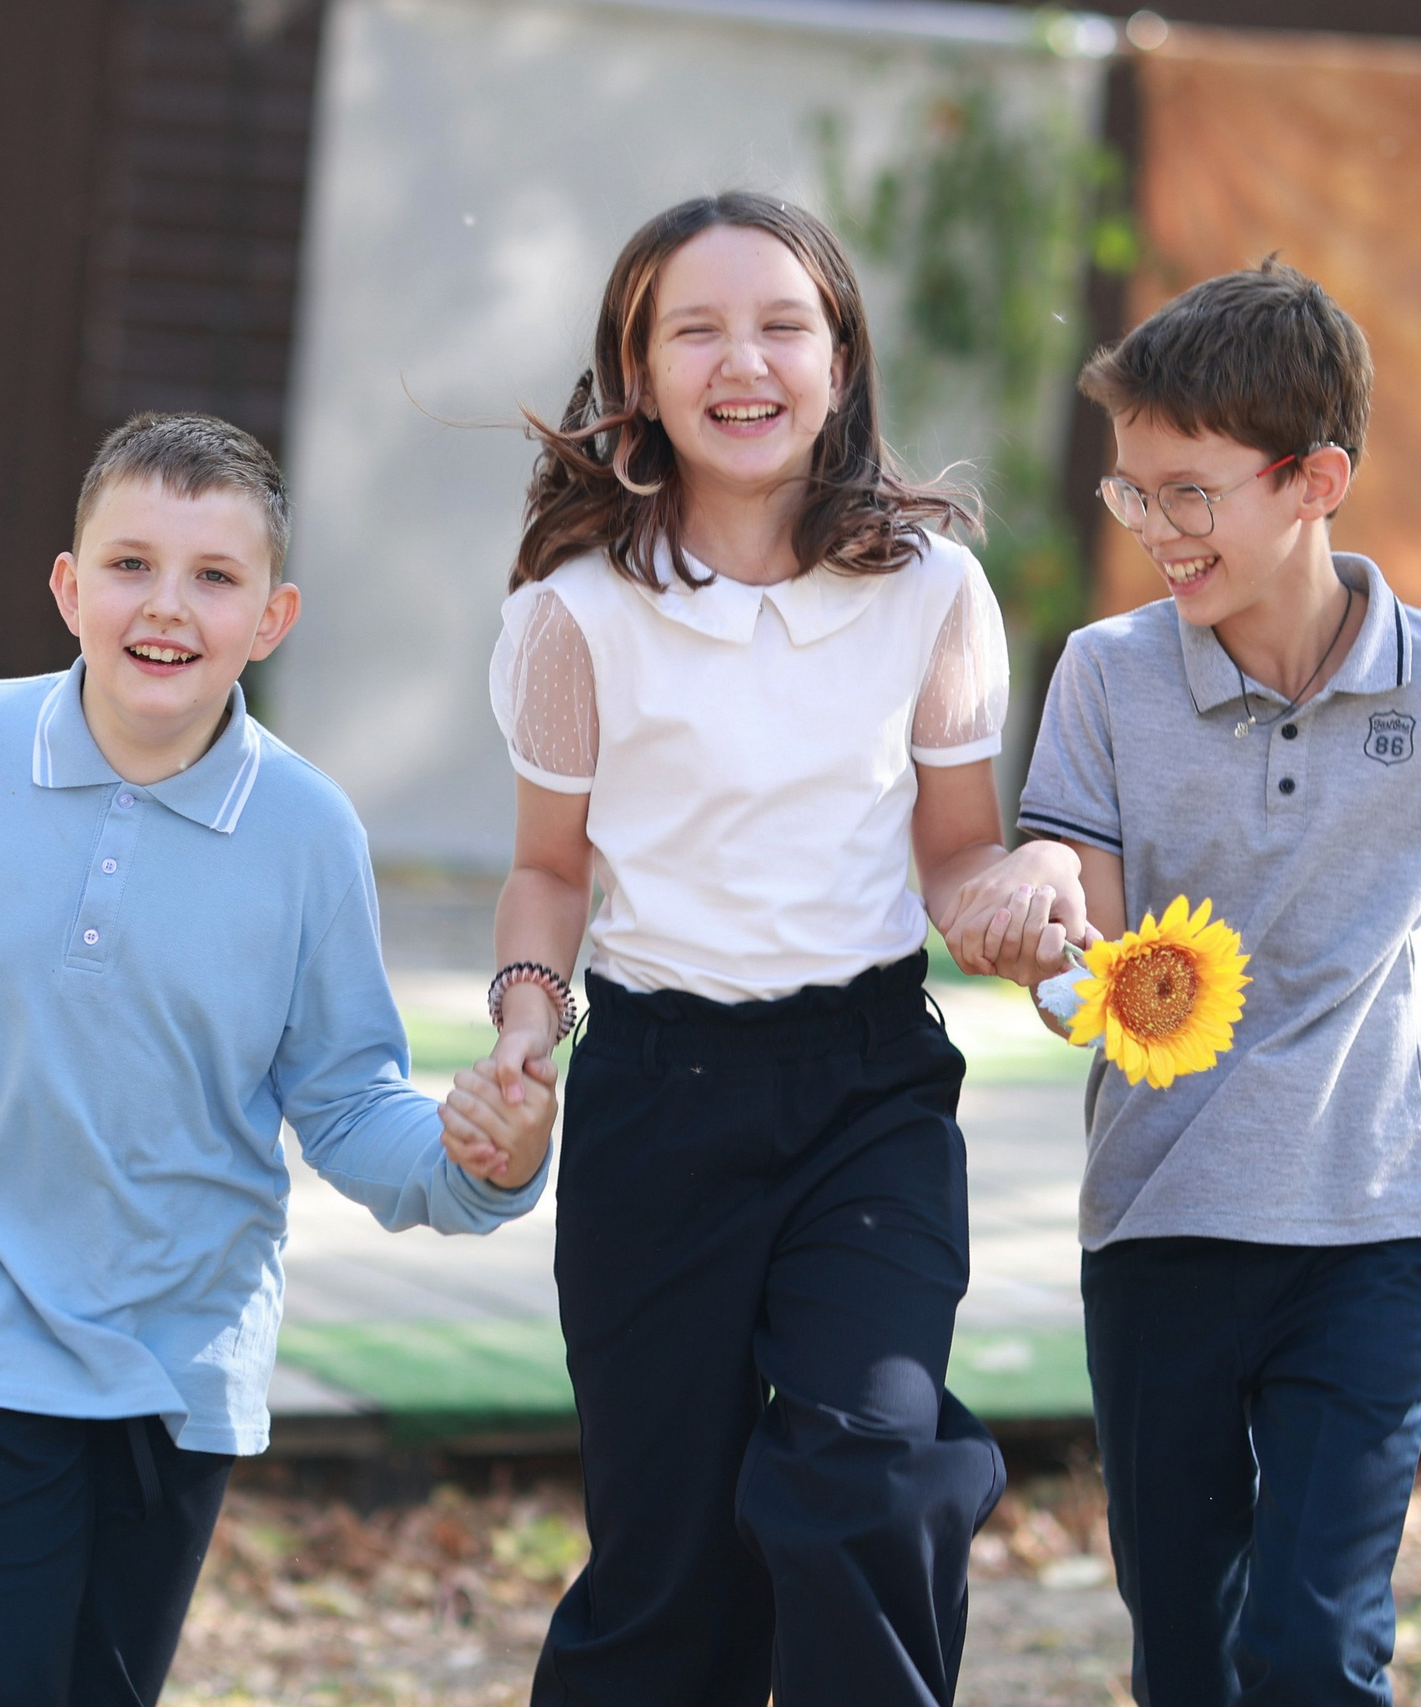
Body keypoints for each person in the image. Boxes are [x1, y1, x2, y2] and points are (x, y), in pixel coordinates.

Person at [0, 413, 556, 1707]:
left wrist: (477, 1165)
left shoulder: (307, 830)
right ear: (68, 588)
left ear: (271, 618)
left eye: (213, 577)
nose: (166, 606)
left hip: (180, 1358)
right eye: (130, 565)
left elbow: (343, 1100)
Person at [951, 261, 1421, 1705]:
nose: (1157, 529)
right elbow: (1085, 938)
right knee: (1187, 1653)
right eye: (1134, 493)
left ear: (1315, 480)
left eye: (1190, 494)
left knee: (1318, 1644)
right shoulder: (1105, 677)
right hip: (1159, 1222)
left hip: (1368, 1230)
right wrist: (1042, 936)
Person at [463, 192, 1014, 1707]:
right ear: (638, 373)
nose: (743, 361)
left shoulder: (933, 593)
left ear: (840, 361)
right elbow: (547, 870)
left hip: (869, 1094)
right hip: (658, 1097)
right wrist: (526, 1025)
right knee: (668, 1575)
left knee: (873, 1473)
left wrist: (1020, 909)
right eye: (695, 330)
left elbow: (959, 855)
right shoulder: (576, 615)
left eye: (781, 325)